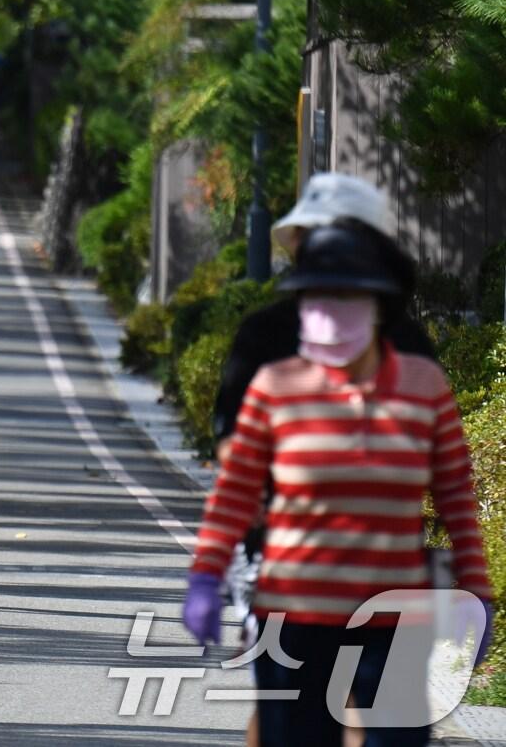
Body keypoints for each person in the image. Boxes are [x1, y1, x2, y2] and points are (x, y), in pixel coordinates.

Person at [184, 220, 494, 747]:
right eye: (315, 296)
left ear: (377, 305)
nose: (330, 310)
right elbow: (236, 492)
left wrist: (477, 590)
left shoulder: (424, 387)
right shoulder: (276, 386)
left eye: (345, 295)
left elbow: (455, 497)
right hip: (294, 618)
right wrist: (206, 576)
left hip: (394, 619)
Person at [211, 175, 438, 747]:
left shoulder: (410, 345)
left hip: (388, 569)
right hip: (284, 560)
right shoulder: (264, 335)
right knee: (294, 708)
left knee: (385, 718)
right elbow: (230, 444)